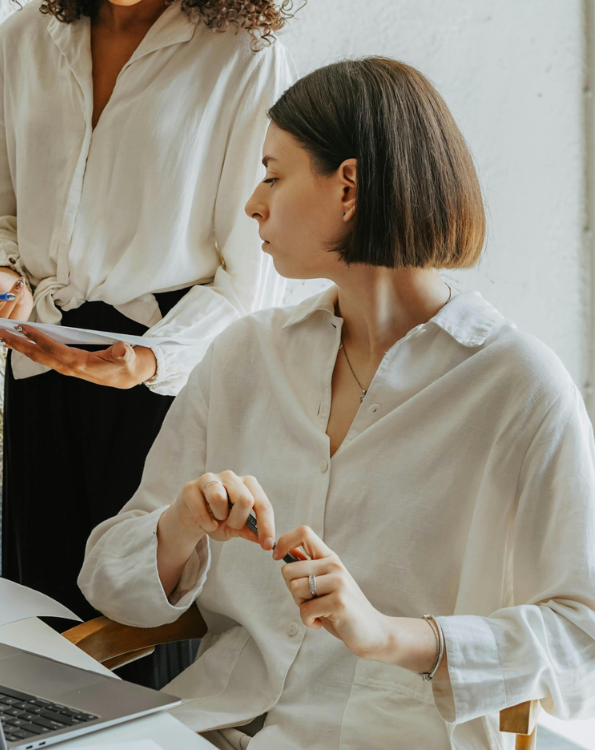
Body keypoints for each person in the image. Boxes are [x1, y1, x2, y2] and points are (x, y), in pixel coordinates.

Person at [78, 58, 595, 748]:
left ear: (347, 186)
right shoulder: (245, 357)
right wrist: (180, 526)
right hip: (207, 726)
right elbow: (107, 578)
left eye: (273, 173)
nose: (253, 204)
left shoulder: (519, 388)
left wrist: (391, 637)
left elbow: (580, 634)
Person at [0, 0, 299, 630]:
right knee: (41, 625)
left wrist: (150, 361)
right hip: (39, 368)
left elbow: (251, 280)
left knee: (145, 631)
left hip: (162, 391)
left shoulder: (242, 58)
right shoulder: (23, 40)